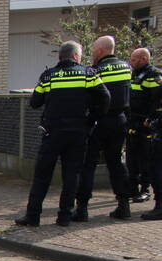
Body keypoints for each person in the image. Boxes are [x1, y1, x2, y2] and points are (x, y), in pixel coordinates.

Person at [16, 41, 109, 227]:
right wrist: (91, 119)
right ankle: (64, 217)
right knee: (71, 175)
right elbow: (105, 97)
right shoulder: (88, 74)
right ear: (76, 56)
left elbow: (34, 102)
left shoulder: (49, 75)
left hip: (52, 132)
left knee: (42, 174)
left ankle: (33, 216)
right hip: (77, 133)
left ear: (60, 56)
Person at [74, 36, 133, 221]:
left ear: (100, 51)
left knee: (88, 164)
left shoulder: (95, 70)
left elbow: (88, 97)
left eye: (94, 50)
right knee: (116, 162)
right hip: (120, 120)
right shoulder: (127, 67)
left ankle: (82, 209)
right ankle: (124, 205)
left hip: (99, 121)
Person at [126, 48, 161, 204]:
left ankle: (145, 190)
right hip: (133, 121)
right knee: (131, 157)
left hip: (146, 124)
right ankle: (132, 188)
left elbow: (157, 100)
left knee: (145, 158)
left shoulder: (154, 75)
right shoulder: (133, 74)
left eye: (134, 60)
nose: (131, 62)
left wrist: (151, 119)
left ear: (144, 59)